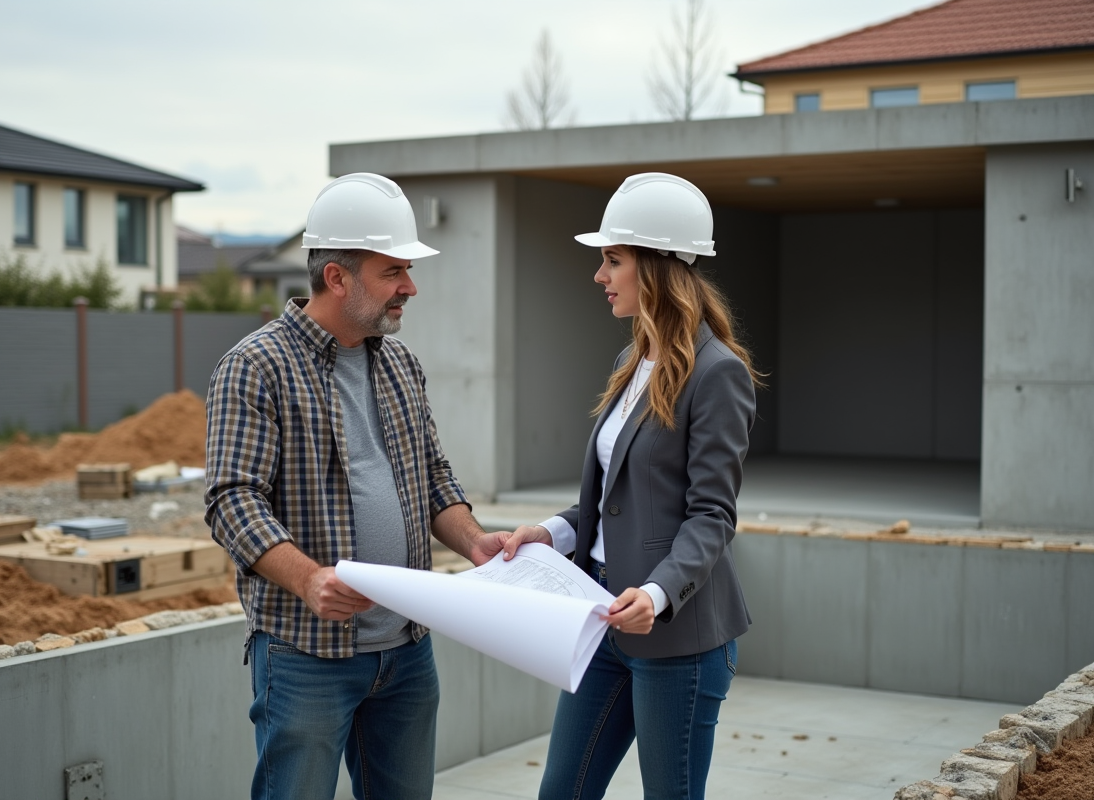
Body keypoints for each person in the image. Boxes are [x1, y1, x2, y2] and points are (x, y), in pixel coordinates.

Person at [204, 172, 495, 800]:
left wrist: (476, 542)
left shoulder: (401, 364)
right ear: (337, 277)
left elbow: (433, 477)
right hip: (305, 657)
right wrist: (311, 580)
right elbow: (232, 501)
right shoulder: (255, 367)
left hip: (407, 652)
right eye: (393, 272)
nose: (410, 287)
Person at [495, 173, 763, 800]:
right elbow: (616, 497)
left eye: (613, 260)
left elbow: (712, 516)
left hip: (677, 638)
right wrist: (552, 533)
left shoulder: (718, 374)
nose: (600, 275)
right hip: (602, 620)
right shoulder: (629, 361)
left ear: (658, 268)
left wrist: (657, 594)